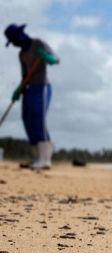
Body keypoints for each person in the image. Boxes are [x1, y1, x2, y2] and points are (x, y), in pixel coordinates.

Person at [4, 24, 59, 170]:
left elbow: (55, 60)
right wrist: (19, 90)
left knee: (38, 119)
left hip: (42, 87)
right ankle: (36, 157)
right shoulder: (21, 54)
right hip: (29, 88)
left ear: (20, 35)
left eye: (14, 40)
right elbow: (24, 75)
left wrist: (46, 56)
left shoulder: (38, 44)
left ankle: (45, 159)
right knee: (27, 119)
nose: (14, 44)